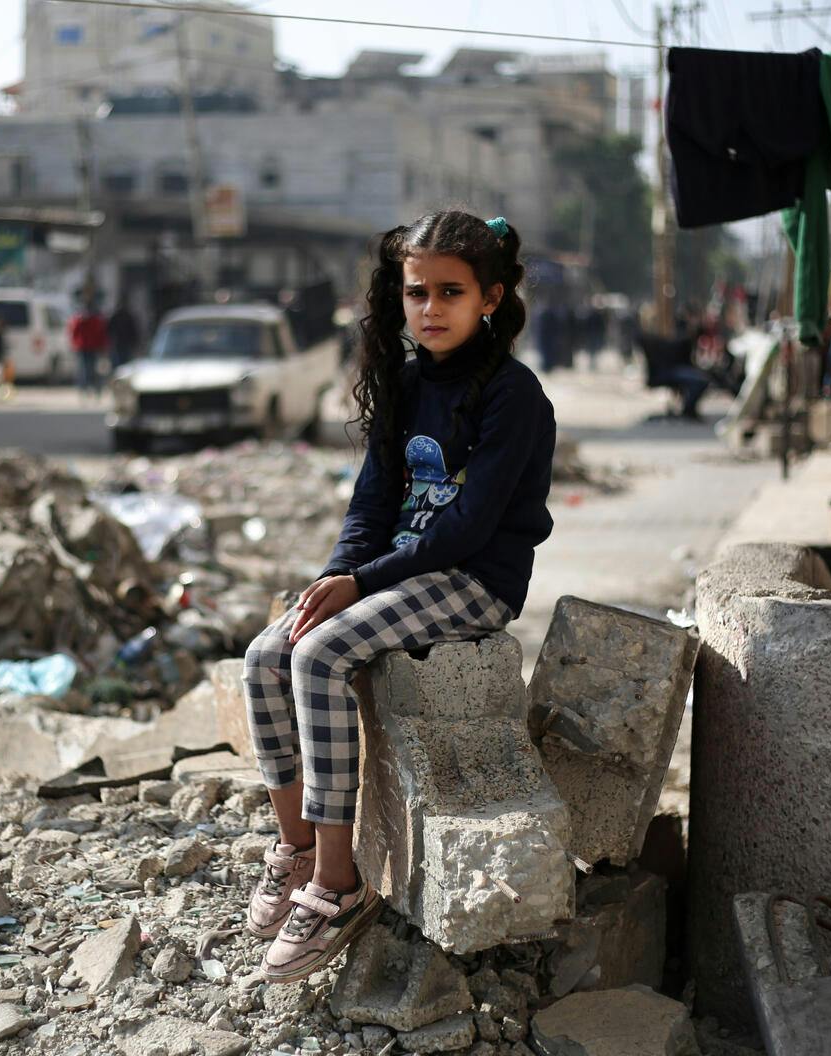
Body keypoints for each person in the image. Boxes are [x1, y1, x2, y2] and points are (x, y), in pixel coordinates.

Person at [239, 211, 556, 983]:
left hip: (474, 580)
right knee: (265, 653)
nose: (430, 309)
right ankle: (297, 847)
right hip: (402, 572)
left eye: (451, 291)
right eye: (418, 292)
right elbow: (370, 508)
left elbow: (470, 525)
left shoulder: (513, 396)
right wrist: (334, 579)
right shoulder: (408, 384)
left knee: (318, 656)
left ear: (491, 296)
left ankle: (336, 885)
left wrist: (362, 583)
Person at [67, 298, 110, 396]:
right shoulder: (96, 319)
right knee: (90, 368)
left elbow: (73, 332)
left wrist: (74, 344)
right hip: (90, 346)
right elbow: (101, 334)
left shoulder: (80, 319)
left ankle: (85, 389)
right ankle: (90, 388)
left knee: (84, 368)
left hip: (84, 346)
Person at [107, 296, 140, 374]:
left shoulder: (126, 316)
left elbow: (133, 330)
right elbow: (109, 329)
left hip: (123, 343)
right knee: (120, 362)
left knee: (123, 363)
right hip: (119, 343)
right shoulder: (118, 316)